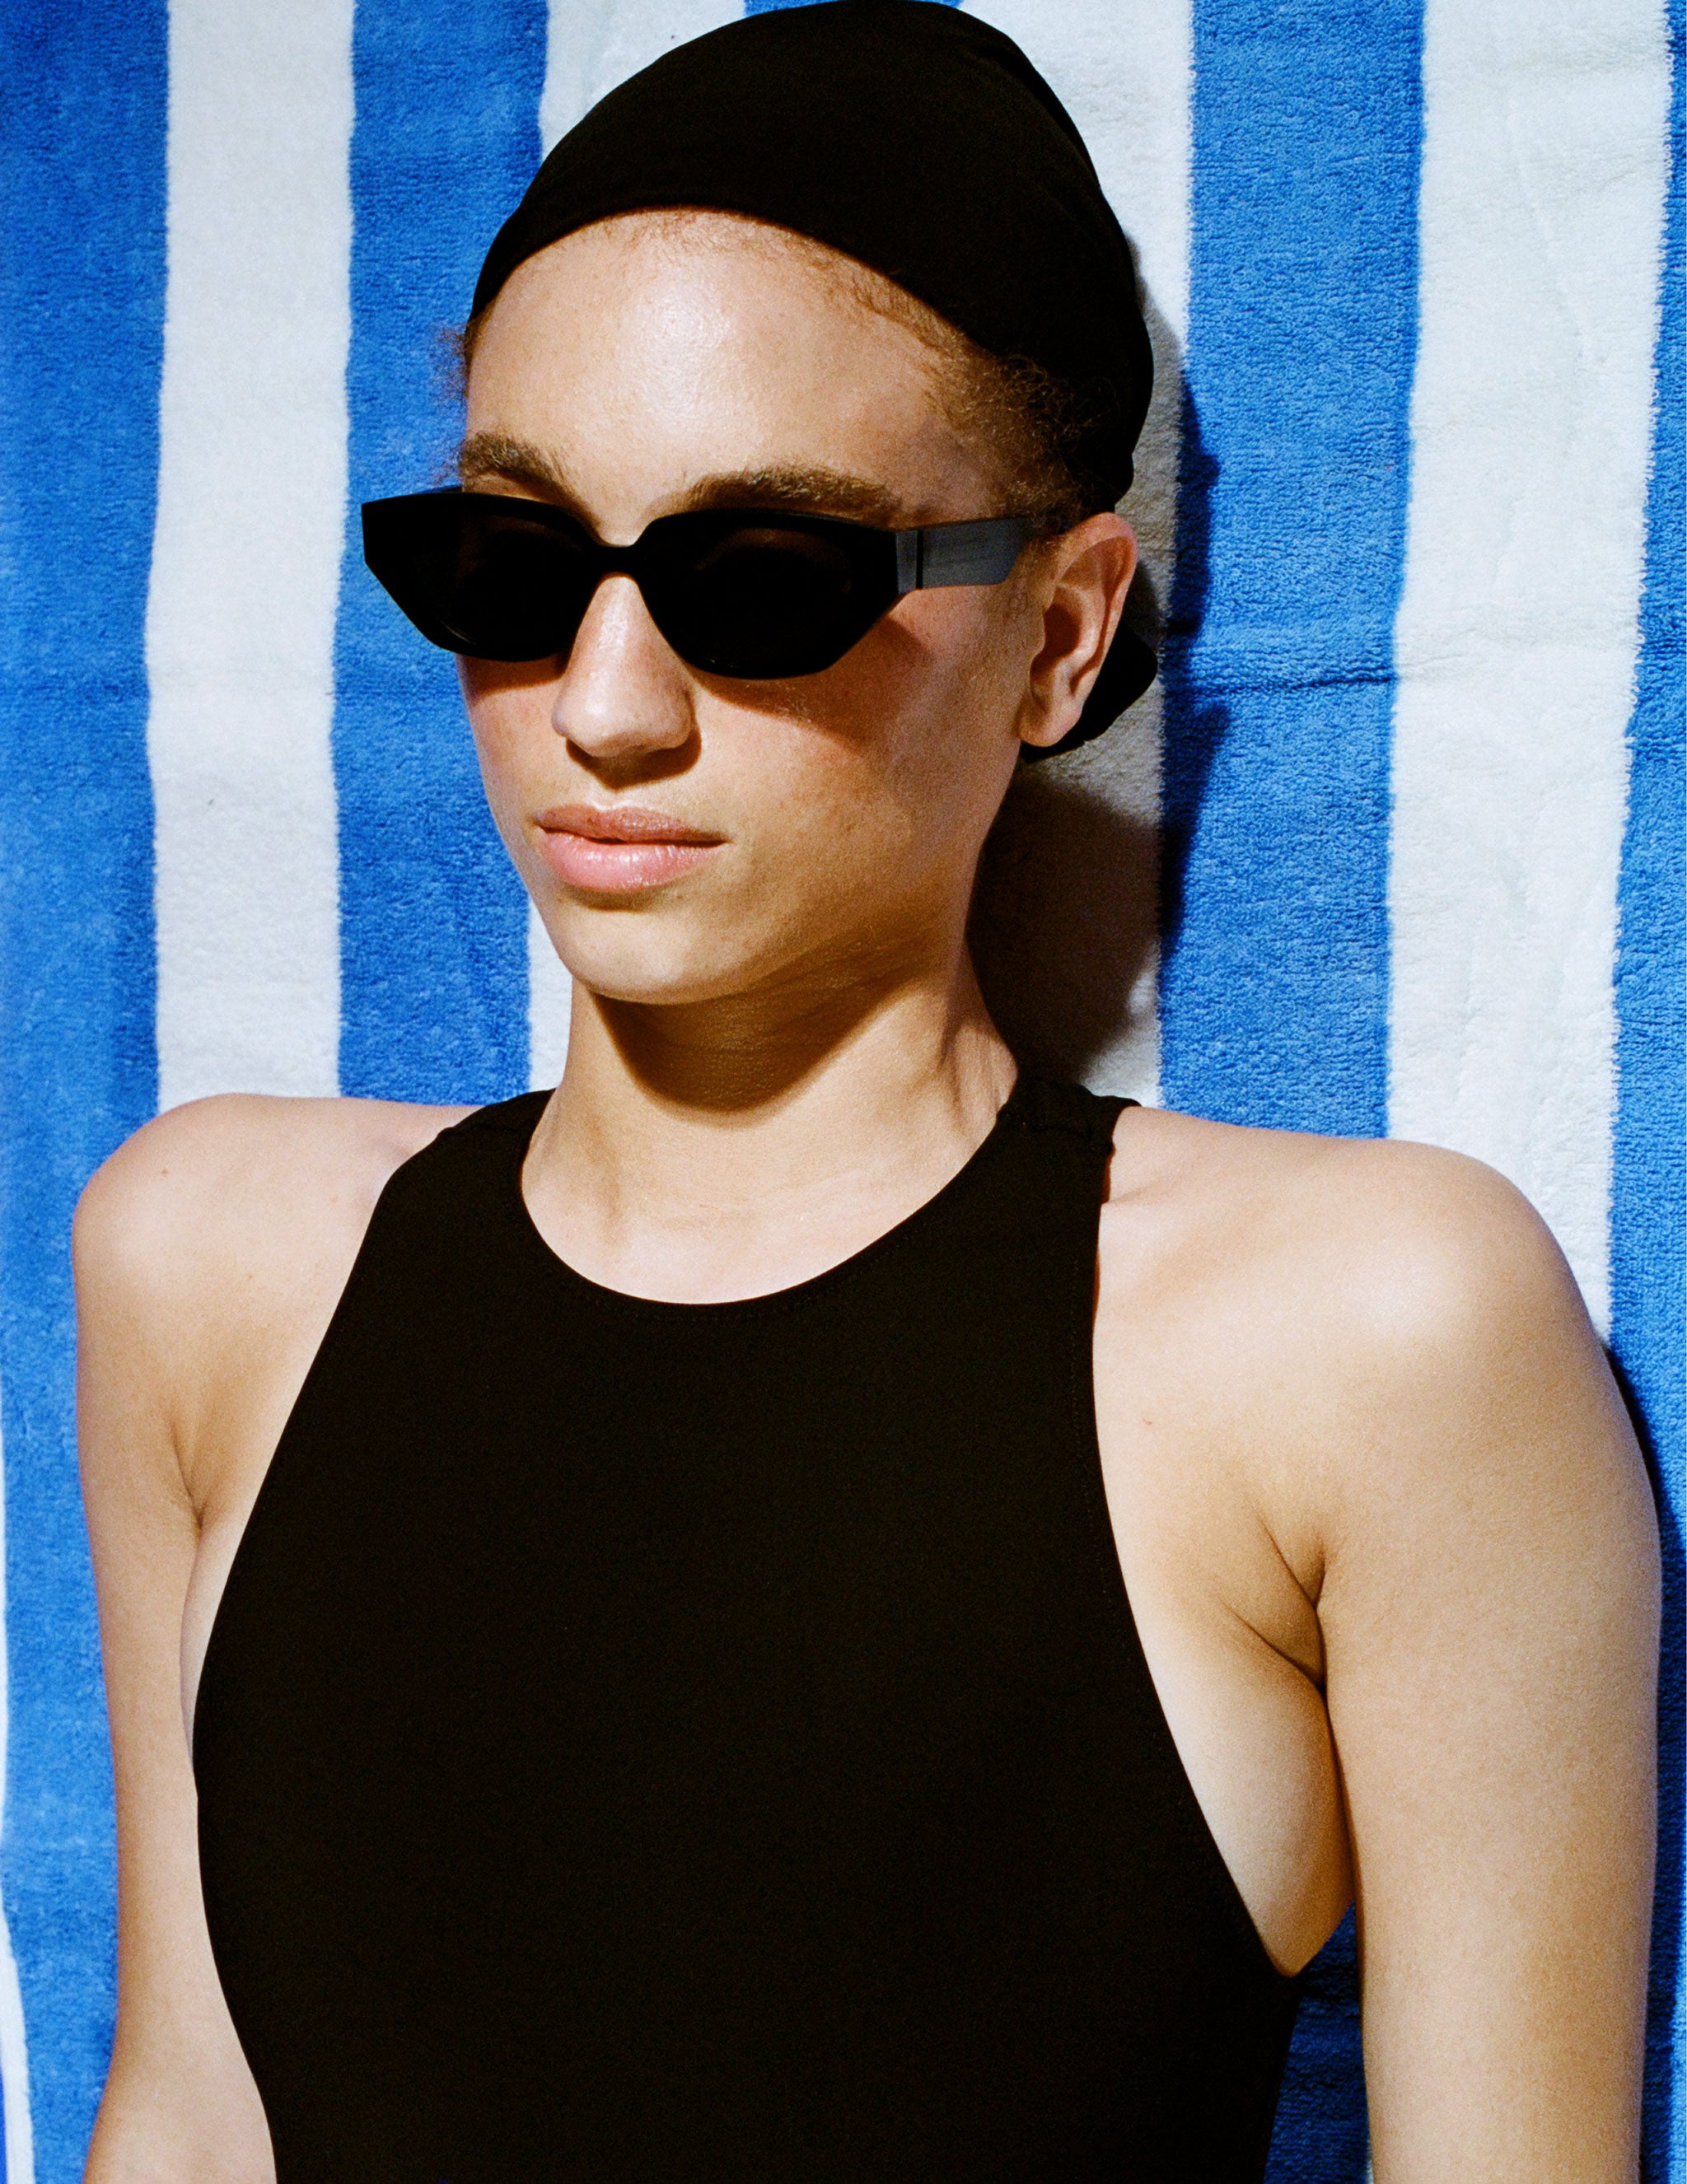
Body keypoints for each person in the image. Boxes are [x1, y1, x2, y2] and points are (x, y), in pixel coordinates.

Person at [77, 7, 1657, 2181]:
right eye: (515, 565)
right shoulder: (208, 1259)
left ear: (1060, 637)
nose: (606, 710)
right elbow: (192, 2113)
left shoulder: (1369, 1336)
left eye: (765, 585)